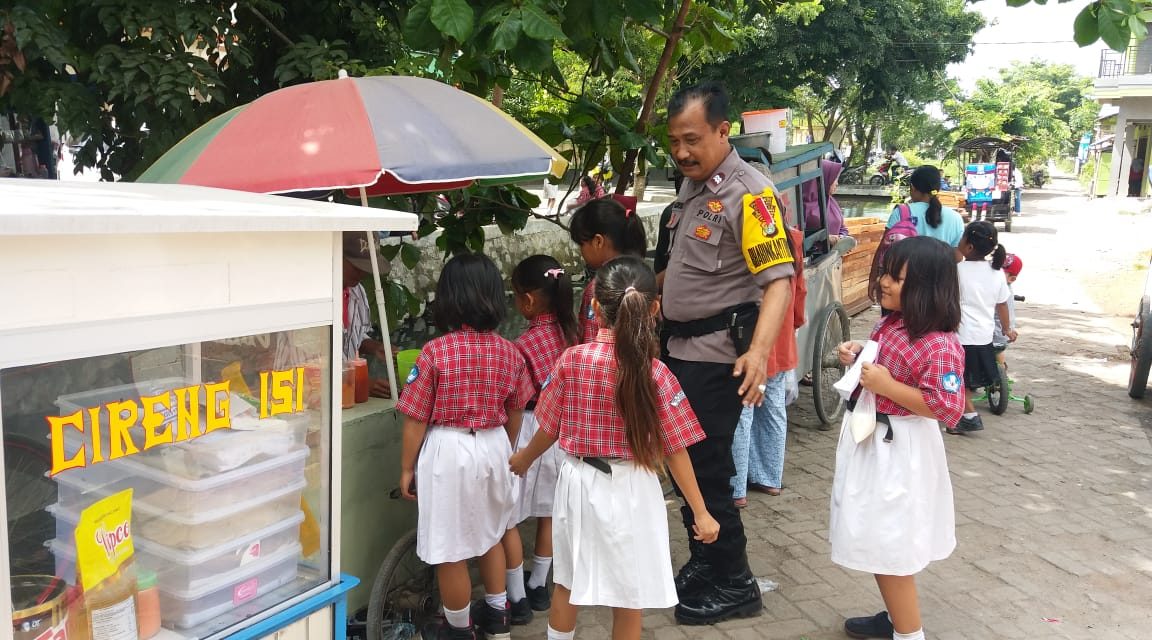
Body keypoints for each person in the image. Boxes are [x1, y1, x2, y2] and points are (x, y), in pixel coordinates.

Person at [509, 256, 720, 640]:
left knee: (568, 583)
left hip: (578, 482)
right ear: (654, 308)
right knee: (628, 595)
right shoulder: (656, 372)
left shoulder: (572, 360)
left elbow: (549, 426)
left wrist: (523, 458)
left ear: (594, 306)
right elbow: (675, 449)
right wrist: (701, 513)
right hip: (632, 489)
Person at [660, 81, 795, 624]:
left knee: (708, 468)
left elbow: (779, 280)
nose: (682, 152)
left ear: (723, 130)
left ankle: (736, 583)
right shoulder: (694, 189)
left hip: (718, 356)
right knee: (684, 464)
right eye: (674, 142)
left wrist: (759, 354)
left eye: (691, 139)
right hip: (679, 350)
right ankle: (705, 561)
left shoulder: (752, 193)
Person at [396, 254, 536, 640]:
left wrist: (407, 468)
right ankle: (498, 617)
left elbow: (416, 418)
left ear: (448, 298)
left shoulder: (435, 353)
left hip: (449, 448)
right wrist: (504, 449)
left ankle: (459, 630)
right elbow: (516, 409)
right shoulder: (511, 352)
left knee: (450, 549)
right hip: (494, 444)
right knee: (491, 534)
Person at [833, 236, 965, 640]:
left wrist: (887, 386)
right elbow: (885, 368)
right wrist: (860, 357)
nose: (885, 283)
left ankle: (909, 634)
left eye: (897, 278)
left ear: (928, 288)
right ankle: (894, 617)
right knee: (879, 538)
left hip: (900, 453)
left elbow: (947, 407)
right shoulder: (891, 322)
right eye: (886, 273)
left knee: (891, 545)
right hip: (875, 444)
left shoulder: (940, 344)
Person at [498, 255, 580, 624]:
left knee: (509, 517)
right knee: (548, 512)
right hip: (563, 431)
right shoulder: (574, 335)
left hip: (530, 430)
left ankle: (516, 598)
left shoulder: (522, 344)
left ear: (528, 300)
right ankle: (539, 584)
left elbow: (514, 400)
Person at [730, 225, 807, 506]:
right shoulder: (792, 238)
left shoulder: (742, 236)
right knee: (773, 407)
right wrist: (795, 322)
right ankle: (769, 478)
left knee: (743, 411)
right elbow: (798, 289)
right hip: (781, 333)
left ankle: (736, 488)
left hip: (750, 339)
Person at [949, 221, 1015, 435]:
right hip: (983, 338)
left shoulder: (957, 270)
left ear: (968, 246)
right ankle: (964, 414)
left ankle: (969, 416)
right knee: (966, 380)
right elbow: (1002, 304)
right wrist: (1006, 329)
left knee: (954, 378)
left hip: (960, 336)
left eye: (962, 236)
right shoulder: (996, 273)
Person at [569, 198, 647, 344]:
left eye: (581, 245)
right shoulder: (644, 277)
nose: (581, 252)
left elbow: (591, 337)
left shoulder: (599, 287)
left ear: (598, 241)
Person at [341, 232, 394, 398]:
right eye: (357, 267)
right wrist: (357, 384)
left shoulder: (357, 291)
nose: (363, 273)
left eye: (368, 268)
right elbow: (310, 362)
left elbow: (354, 335)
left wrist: (376, 347)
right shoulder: (315, 295)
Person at [887, 165, 964, 248]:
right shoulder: (956, 218)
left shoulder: (900, 212)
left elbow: (885, 248)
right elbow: (957, 256)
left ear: (912, 188)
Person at [802, 159, 852, 248]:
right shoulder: (805, 206)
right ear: (824, 179)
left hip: (833, 256)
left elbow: (843, 228)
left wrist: (841, 238)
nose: (837, 183)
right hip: (815, 259)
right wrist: (825, 238)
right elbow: (800, 235)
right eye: (834, 179)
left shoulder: (831, 202)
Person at [993, 253, 1024, 369]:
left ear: (1012, 279)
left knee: (997, 352)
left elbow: (1005, 310)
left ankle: (1001, 377)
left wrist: (1008, 329)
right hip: (998, 333)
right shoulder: (1004, 288)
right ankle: (1001, 375)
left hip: (999, 334)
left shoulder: (1005, 292)